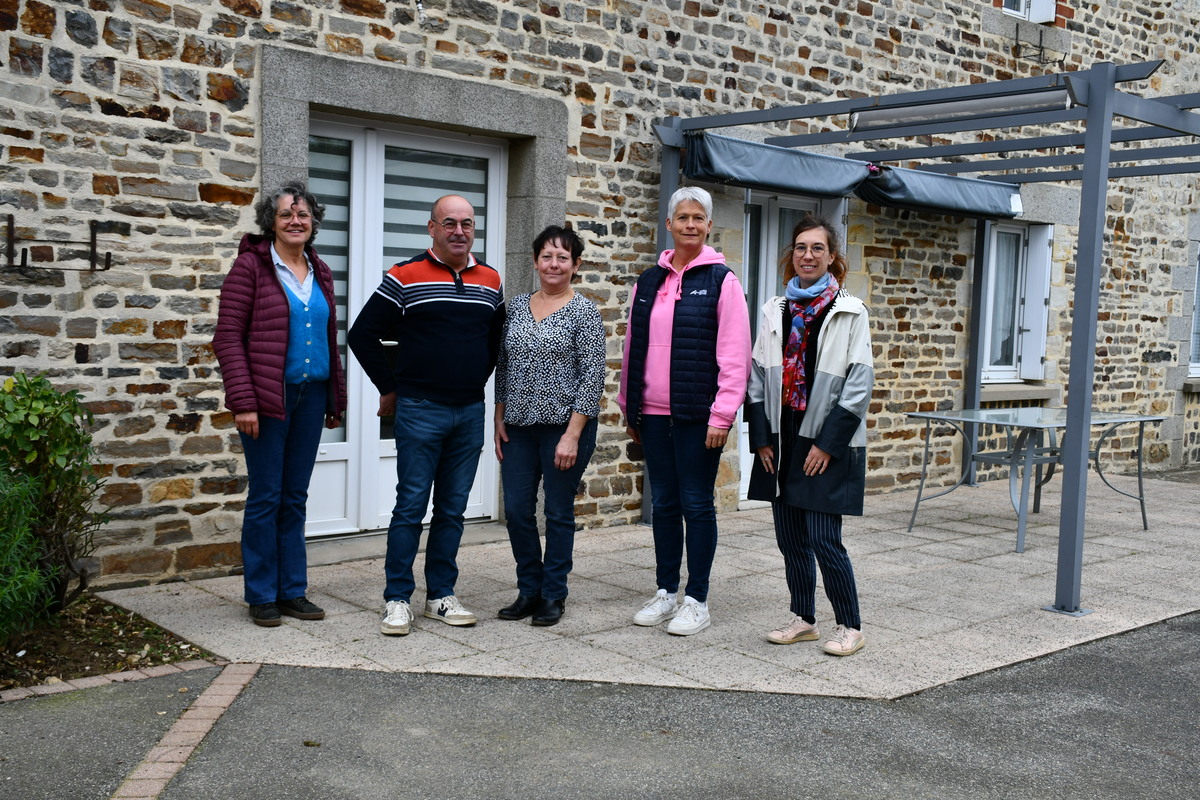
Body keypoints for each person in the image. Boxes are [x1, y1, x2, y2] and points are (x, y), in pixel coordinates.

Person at [348, 195, 504, 636]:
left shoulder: (490, 280)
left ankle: (440, 595)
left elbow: (495, 343)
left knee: (453, 511)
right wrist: (391, 387)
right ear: (431, 228)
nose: (459, 231)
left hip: (469, 411)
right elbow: (362, 335)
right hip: (420, 411)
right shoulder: (404, 276)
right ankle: (397, 599)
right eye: (449, 223)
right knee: (410, 507)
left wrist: (473, 379)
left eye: (468, 224)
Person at [212, 181, 347, 628]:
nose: (295, 221)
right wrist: (243, 402)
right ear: (271, 221)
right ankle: (261, 594)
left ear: (314, 223)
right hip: (268, 399)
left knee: (295, 496)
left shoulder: (320, 269)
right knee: (267, 497)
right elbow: (228, 338)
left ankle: (292, 591)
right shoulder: (250, 268)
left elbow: (329, 337)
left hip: (311, 395)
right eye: (287, 214)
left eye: (303, 215)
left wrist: (335, 396)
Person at [618, 186, 751, 636]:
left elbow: (735, 355)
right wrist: (628, 405)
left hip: (697, 415)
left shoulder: (722, 281)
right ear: (670, 224)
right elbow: (632, 346)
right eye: (682, 217)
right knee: (665, 504)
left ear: (708, 226)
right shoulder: (647, 281)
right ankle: (665, 592)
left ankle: (697, 599)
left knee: (696, 504)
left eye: (699, 217)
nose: (690, 224)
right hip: (653, 414)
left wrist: (723, 415)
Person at [745, 215, 874, 657]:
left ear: (832, 258)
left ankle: (850, 625)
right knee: (790, 538)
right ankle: (803, 618)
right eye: (801, 247)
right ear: (791, 255)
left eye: (817, 248)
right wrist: (760, 437)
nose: (807, 255)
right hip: (782, 436)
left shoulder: (852, 312)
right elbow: (758, 377)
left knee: (824, 538)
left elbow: (858, 387)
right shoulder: (774, 310)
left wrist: (826, 444)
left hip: (823, 436)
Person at [493, 224, 605, 627]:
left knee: (557, 512)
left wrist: (573, 436)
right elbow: (503, 366)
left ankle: (554, 593)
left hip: (565, 428)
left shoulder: (585, 312)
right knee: (518, 510)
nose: (553, 264)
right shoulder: (516, 307)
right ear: (536, 261)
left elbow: (593, 379)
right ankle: (529, 589)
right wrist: (499, 415)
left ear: (575, 265)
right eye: (546, 256)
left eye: (562, 257)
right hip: (519, 427)